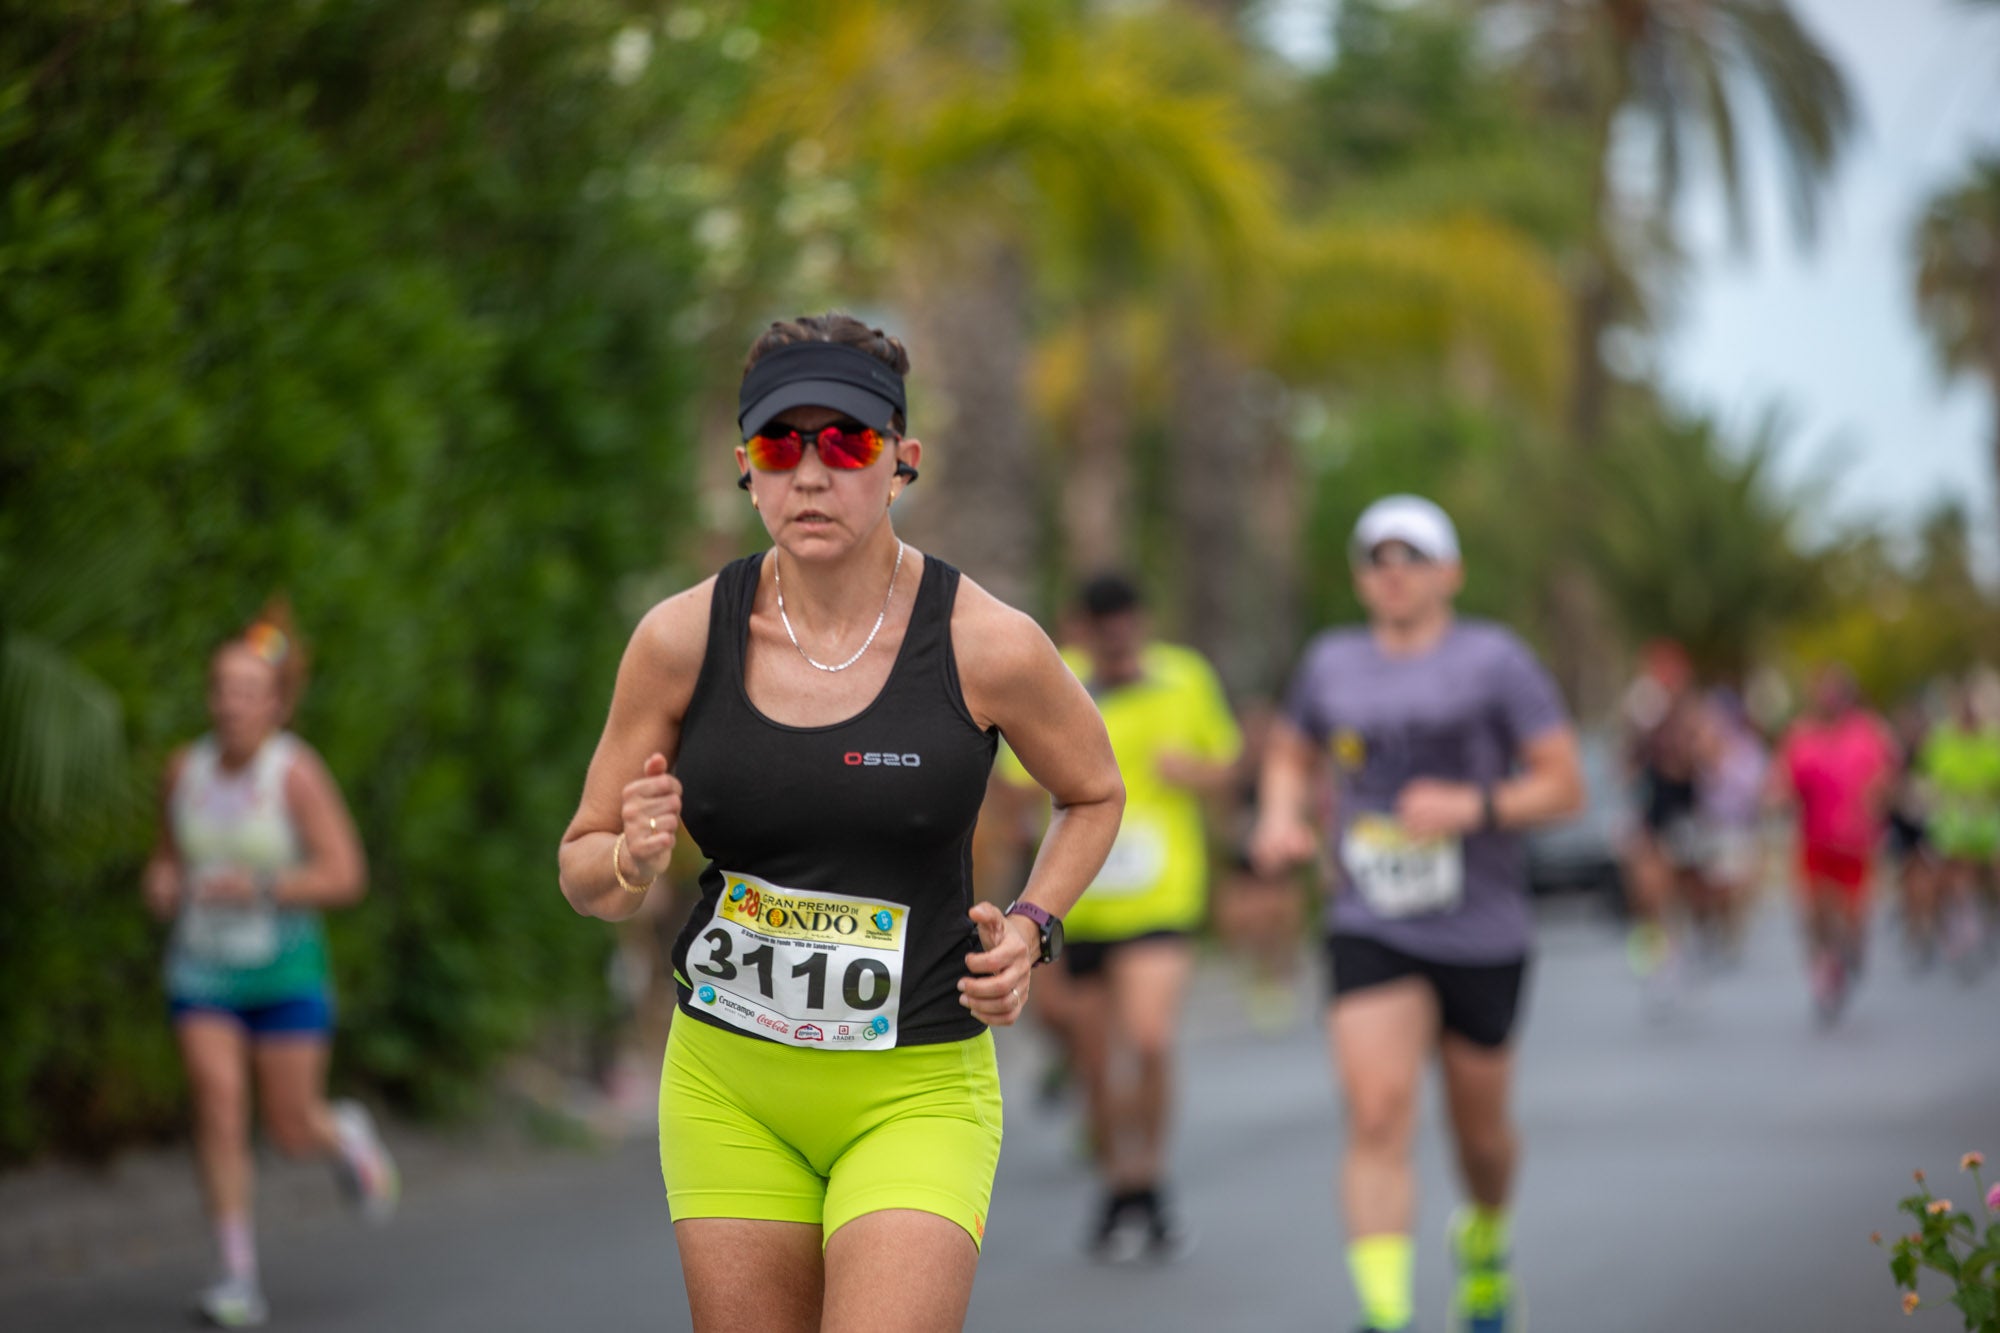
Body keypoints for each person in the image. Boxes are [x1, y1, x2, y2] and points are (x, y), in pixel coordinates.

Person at [557, 313, 1123, 1333]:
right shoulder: (680, 639)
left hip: (914, 1084)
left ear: (902, 461)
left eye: (846, 443)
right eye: (780, 445)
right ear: (745, 467)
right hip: (728, 1085)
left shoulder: (986, 643)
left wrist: (1033, 925)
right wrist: (631, 861)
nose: (811, 475)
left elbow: (1093, 791)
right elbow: (582, 865)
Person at [1253, 495, 1583, 1333]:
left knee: (1482, 1138)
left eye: (1413, 557)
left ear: (1451, 572)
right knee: (1376, 1112)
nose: (1394, 573)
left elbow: (1565, 784)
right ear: (1361, 577)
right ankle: (1386, 1311)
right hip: (1371, 918)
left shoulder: (1496, 660)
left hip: (1482, 925)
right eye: (1378, 559)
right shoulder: (1331, 662)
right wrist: (1281, 815)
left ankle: (1486, 1239)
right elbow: (1291, 750)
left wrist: (1474, 805)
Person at [143, 606, 398, 1329]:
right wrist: (162, 880)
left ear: (276, 704)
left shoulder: (294, 774)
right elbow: (166, 856)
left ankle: (343, 1134)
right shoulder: (184, 770)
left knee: (290, 1127)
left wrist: (259, 886)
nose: (231, 703)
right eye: (222, 688)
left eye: (248, 691)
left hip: (285, 973)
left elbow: (345, 874)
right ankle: (235, 1275)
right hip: (201, 970)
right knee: (219, 1104)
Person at [997, 573, 1242, 1261]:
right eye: (1102, 629)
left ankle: (1150, 1173)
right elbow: (1015, 780)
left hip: (1162, 896)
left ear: (1143, 623)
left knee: (1152, 1037)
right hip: (1078, 903)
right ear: (1083, 629)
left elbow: (1228, 763)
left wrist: (1191, 772)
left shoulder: (1183, 676)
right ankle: (1119, 1185)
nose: (1117, 639)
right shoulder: (1058, 679)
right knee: (1097, 1060)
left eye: (1126, 625)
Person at [1767, 666, 1898, 1023]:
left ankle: (1853, 950)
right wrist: (1776, 800)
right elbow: (1782, 780)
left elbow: (1885, 778)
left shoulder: (1868, 733)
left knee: (1852, 915)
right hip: (1814, 840)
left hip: (1855, 842)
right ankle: (1824, 968)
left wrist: (1876, 803)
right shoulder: (1801, 736)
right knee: (1815, 911)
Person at [1916, 678, 2000, 976]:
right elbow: (1928, 778)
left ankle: (1986, 913)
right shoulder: (1943, 741)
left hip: (1985, 820)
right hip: (1953, 822)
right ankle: (1954, 920)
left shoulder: (1991, 742)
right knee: (1949, 872)